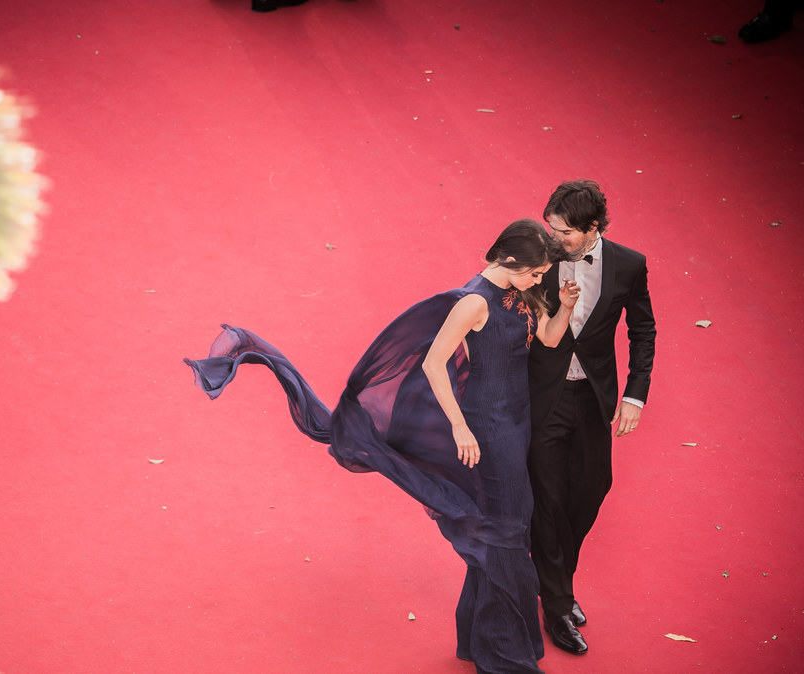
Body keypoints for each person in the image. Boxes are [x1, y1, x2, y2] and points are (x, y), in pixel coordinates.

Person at [186, 219, 578, 673]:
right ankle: (507, 660)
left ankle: (483, 642)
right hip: (487, 429)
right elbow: (434, 364)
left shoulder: (522, 290)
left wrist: (564, 307)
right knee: (506, 534)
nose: (538, 280)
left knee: (504, 530)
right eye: (534, 273)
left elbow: (547, 338)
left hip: (517, 421)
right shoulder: (473, 302)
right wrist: (459, 428)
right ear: (509, 259)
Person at [526, 180, 656, 655]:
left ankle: (556, 578)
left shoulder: (629, 265)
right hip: (542, 396)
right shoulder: (538, 256)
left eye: (562, 232)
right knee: (548, 497)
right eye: (550, 228)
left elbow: (643, 332)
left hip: (594, 396)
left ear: (592, 228)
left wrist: (635, 397)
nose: (553, 237)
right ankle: (558, 603)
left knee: (591, 488)